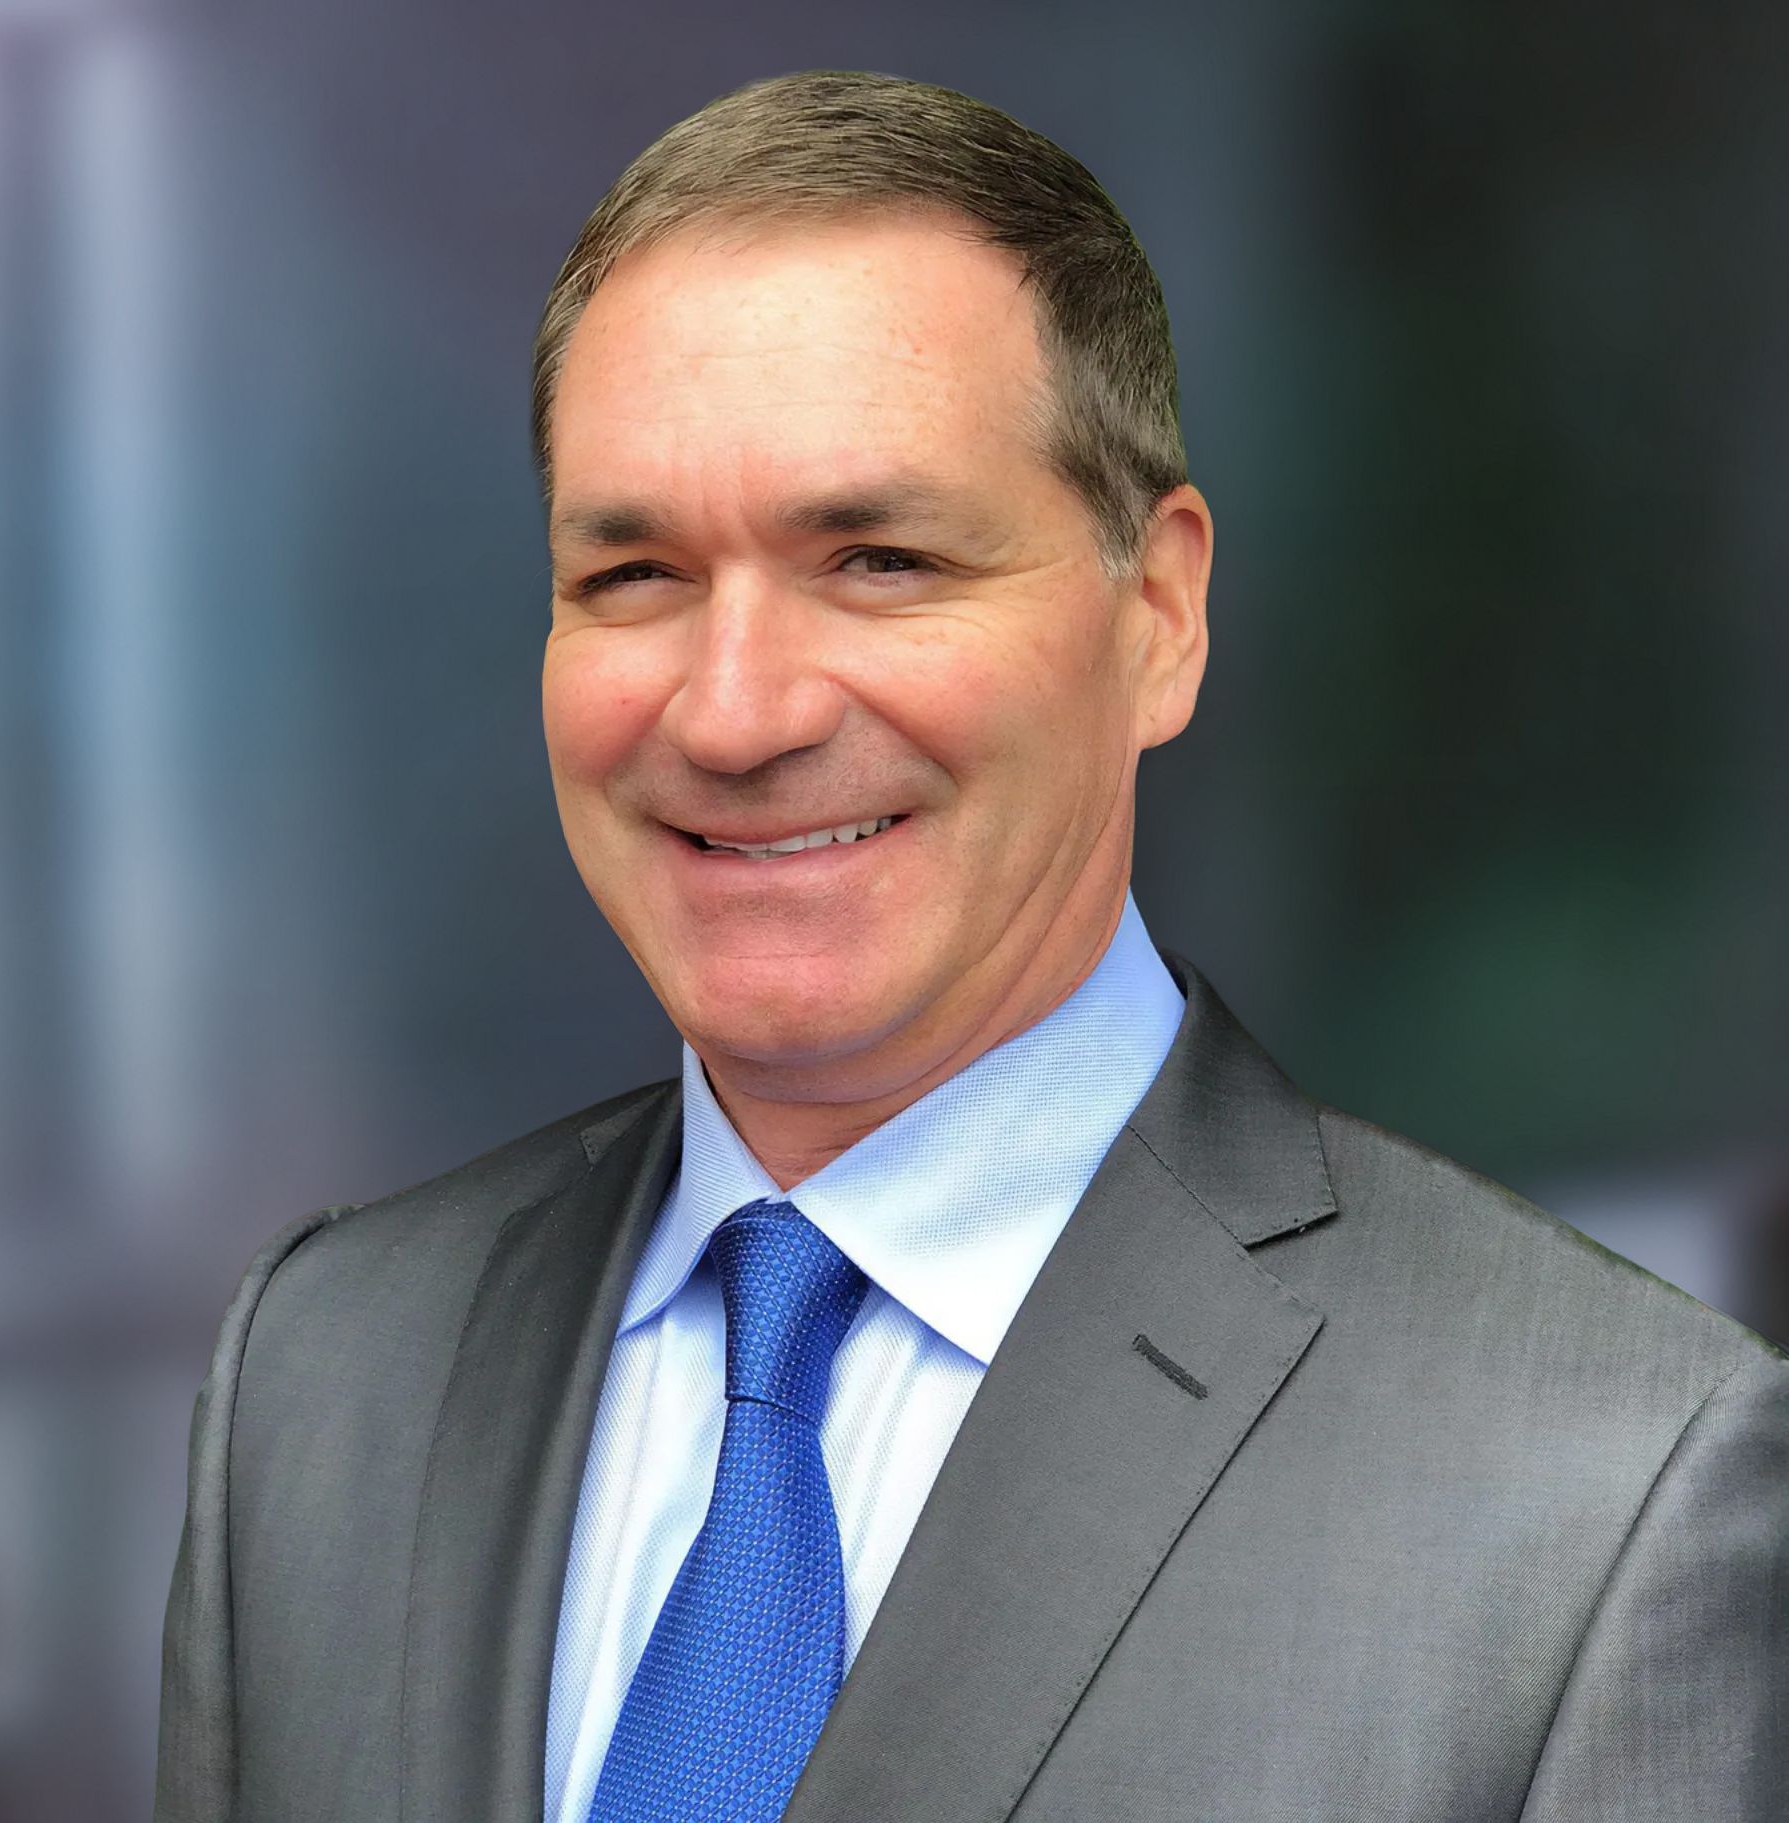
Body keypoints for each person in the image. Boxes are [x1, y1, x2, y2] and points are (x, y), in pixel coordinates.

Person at [154, 70, 1787, 1823]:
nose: (733, 710)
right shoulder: (322, 1376)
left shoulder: (1612, 1491)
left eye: (877, 557)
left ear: (1157, 616)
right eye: (634, 577)